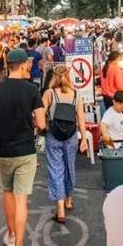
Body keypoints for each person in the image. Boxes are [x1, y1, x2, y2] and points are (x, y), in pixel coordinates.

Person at [0, 48, 47, 246]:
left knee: (8, 193)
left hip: (4, 151)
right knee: (22, 200)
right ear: (21, 66)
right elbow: (41, 123)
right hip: (26, 152)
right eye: (27, 64)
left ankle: (10, 235)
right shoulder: (32, 90)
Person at [42, 65, 88, 223]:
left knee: (56, 170)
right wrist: (83, 139)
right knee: (70, 167)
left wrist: (44, 126)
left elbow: (40, 113)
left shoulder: (49, 93)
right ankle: (69, 199)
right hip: (71, 137)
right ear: (69, 77)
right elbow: (81, 119)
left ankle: (60, 209)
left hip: (53, 136)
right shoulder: (76, 95)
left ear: (54, 77)